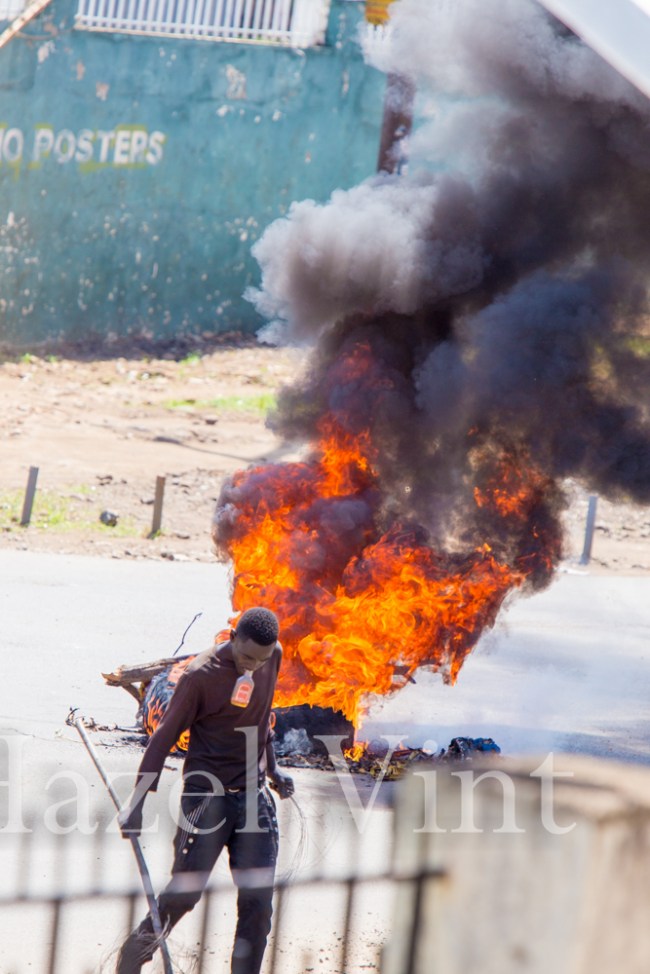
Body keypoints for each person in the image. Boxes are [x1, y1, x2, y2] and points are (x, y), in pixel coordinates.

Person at [116, 606, 294, 974]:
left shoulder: (271, 655)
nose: (254, 666)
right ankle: (130, 961)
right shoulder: (200, 676)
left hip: (254, 796)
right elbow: (162, 739)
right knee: (185, 895)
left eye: (261, 660)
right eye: (247, 657)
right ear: (233, 639)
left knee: (258, 903)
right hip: (206, 797)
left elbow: (262, 716)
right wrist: (137, 802)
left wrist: (274, 769)